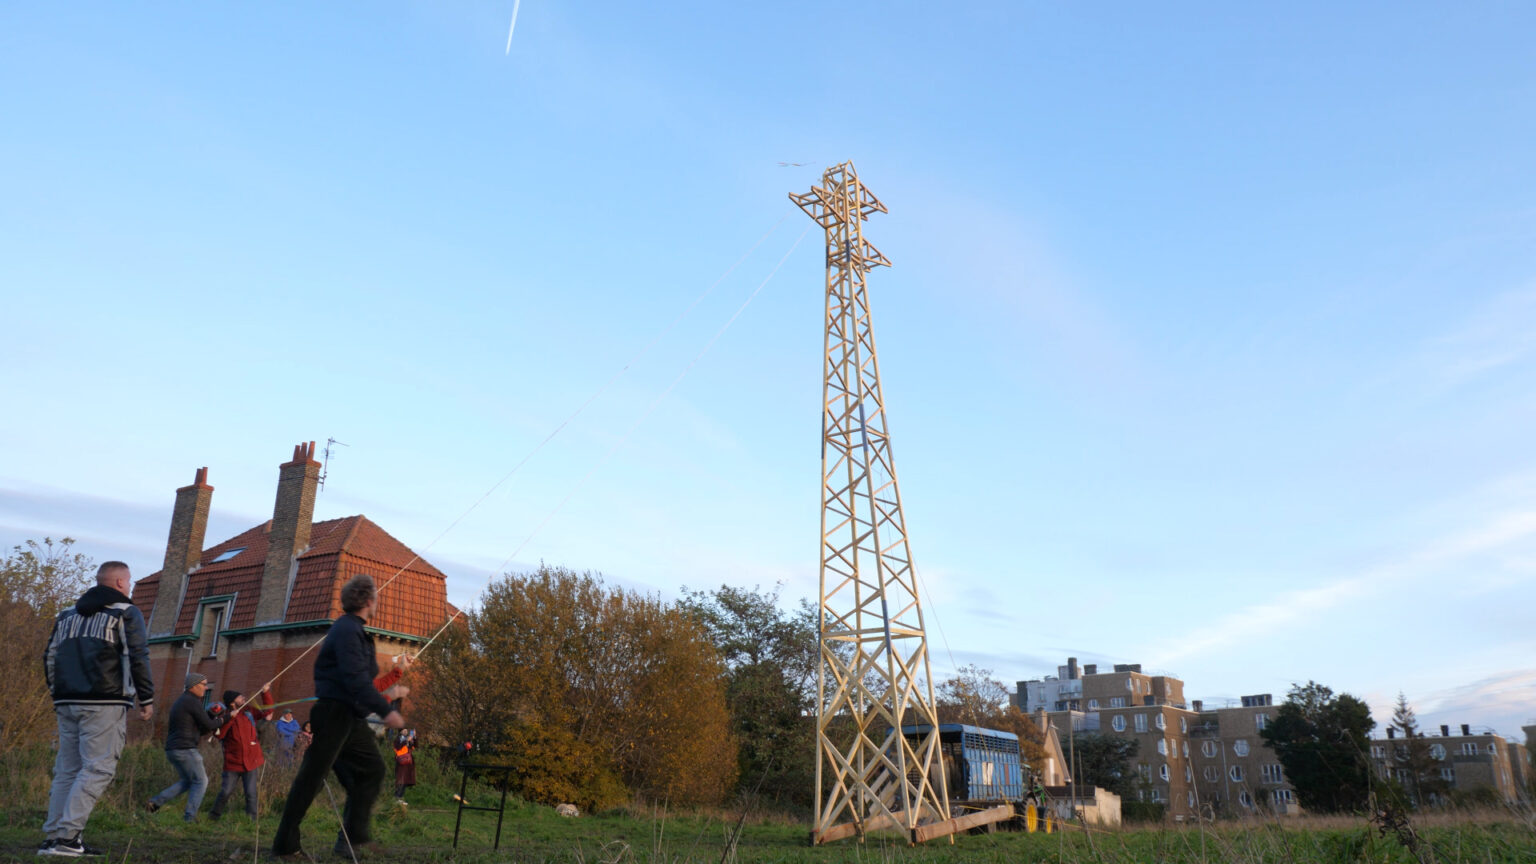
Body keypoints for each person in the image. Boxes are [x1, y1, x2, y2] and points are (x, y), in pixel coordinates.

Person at [272, 575, 410, 861]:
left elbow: (362, 682)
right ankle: (285, 846)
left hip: (350, 717)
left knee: (370, 771)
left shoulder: (354, 631)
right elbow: (355, 681)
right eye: (376, 598)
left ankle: (352, 839)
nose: (378, 602)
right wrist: (387, 711)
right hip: (334, 714)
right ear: (368, 600)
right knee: (311, 779)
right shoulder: (347, 630)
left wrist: (393, 684)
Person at [39, 561, 155, 858]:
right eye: (128, 581)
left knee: (67, 769)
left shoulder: (66, 615)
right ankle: (68, 837)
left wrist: (56, 693)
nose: (129, 586)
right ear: (120, 582)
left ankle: (53, 837)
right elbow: (138, 655)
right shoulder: (125, 612)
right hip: (105, 700)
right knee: (98, 767)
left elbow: (50, 655)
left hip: (66, 700)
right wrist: (146, 698)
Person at [147, 673, 225, 821]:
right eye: (204, 684)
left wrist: (211, 716)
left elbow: (202, 729)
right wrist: (224, 718)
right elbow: (209, 725)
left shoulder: (182, 701)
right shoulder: (192, 702)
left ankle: (155, 802)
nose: (206, 688)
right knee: (201, 781)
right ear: (194, 685)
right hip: (185, 749)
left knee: (188, 781)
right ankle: (190, 816)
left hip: (173, 749)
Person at [209, 685, 274, 820]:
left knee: (251, 793)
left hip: (251, 761)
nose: (243, 698)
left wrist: (265, 693)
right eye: (240, 697)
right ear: (232, 702)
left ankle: (251, 820)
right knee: (225, 792)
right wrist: (230, 718)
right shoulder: (224, 715)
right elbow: (219, 735)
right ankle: (213, 817)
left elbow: (268, 712)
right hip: (233, 762)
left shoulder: (249, 711)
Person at [392, 730, 417, 800]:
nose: (406, 732)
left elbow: (415, 746)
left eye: (406, 730)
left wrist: (414, 737)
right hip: (400, 763)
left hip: (408, 763)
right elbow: (398, 747)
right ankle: (396, 797)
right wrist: (406, 741)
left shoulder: (408, 739)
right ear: (400, 731)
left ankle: (400, 797)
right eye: (404, 730)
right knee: (400, 781)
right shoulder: (398, 740)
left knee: (405, 781)